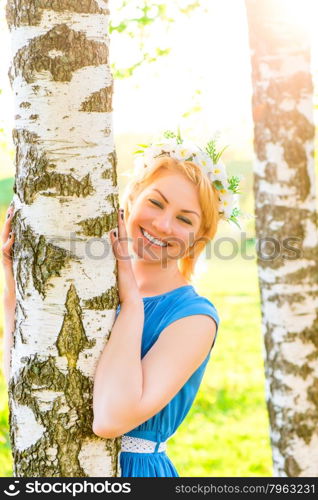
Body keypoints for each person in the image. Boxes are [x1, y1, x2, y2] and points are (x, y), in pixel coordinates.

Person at [1, 132, 241, 477]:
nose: (162, 224)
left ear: (198, 240)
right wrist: (12, 287)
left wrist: (131, 305)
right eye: (156, 203)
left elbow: (111, 420)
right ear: (131, 197)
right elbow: (26, 382)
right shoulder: (90, 286)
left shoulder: (194, 319)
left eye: (184, 219)